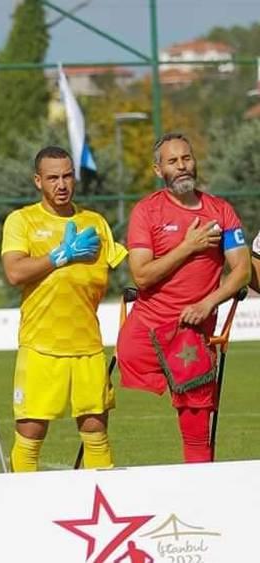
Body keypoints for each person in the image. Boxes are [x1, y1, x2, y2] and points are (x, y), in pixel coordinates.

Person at [117, 133, 249, 463]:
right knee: (96, 410)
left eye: (186, 158)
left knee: (196, 428)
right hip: (146, 332)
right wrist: (188, 247)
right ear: (158, 169)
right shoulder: (146, 212)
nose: (182, 166)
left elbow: (242, 271)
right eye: (173, 161)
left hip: (193, 334)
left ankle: (200, 501)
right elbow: (142, 275)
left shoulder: (220, 210)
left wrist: (208, 302)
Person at [0, 146, 128, 473]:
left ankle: (101, 514)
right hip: (41, 345)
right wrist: (61, 256)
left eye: (67, 176)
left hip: (87, 346)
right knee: (31, 433)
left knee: (95, 431)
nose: (61, 184)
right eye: (53, 177)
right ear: (37, 181)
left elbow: (128, 270)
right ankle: (22, 511)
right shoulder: (22, 220)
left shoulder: (95, 223)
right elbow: (14, 272)